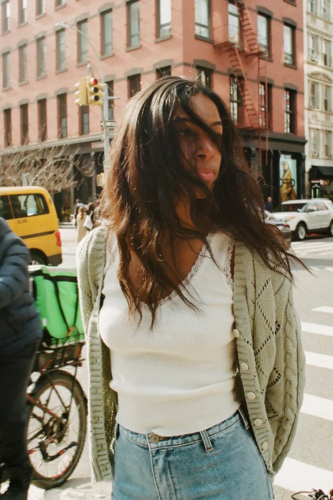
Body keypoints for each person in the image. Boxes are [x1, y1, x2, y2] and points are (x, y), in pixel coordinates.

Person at [77, 77, 305, 499]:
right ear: (143, 145)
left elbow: (282, 380)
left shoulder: (246, 252)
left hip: (224, 466)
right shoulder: (97, 251)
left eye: (216, 135)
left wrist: (256, 465)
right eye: (186, 133)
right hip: (131, 468)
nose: (208, 149)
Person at [0, 218, 42, 500]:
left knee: (6, 412)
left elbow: (11, 281)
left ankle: (20, 475)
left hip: (16, 340)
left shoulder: (11, 245)